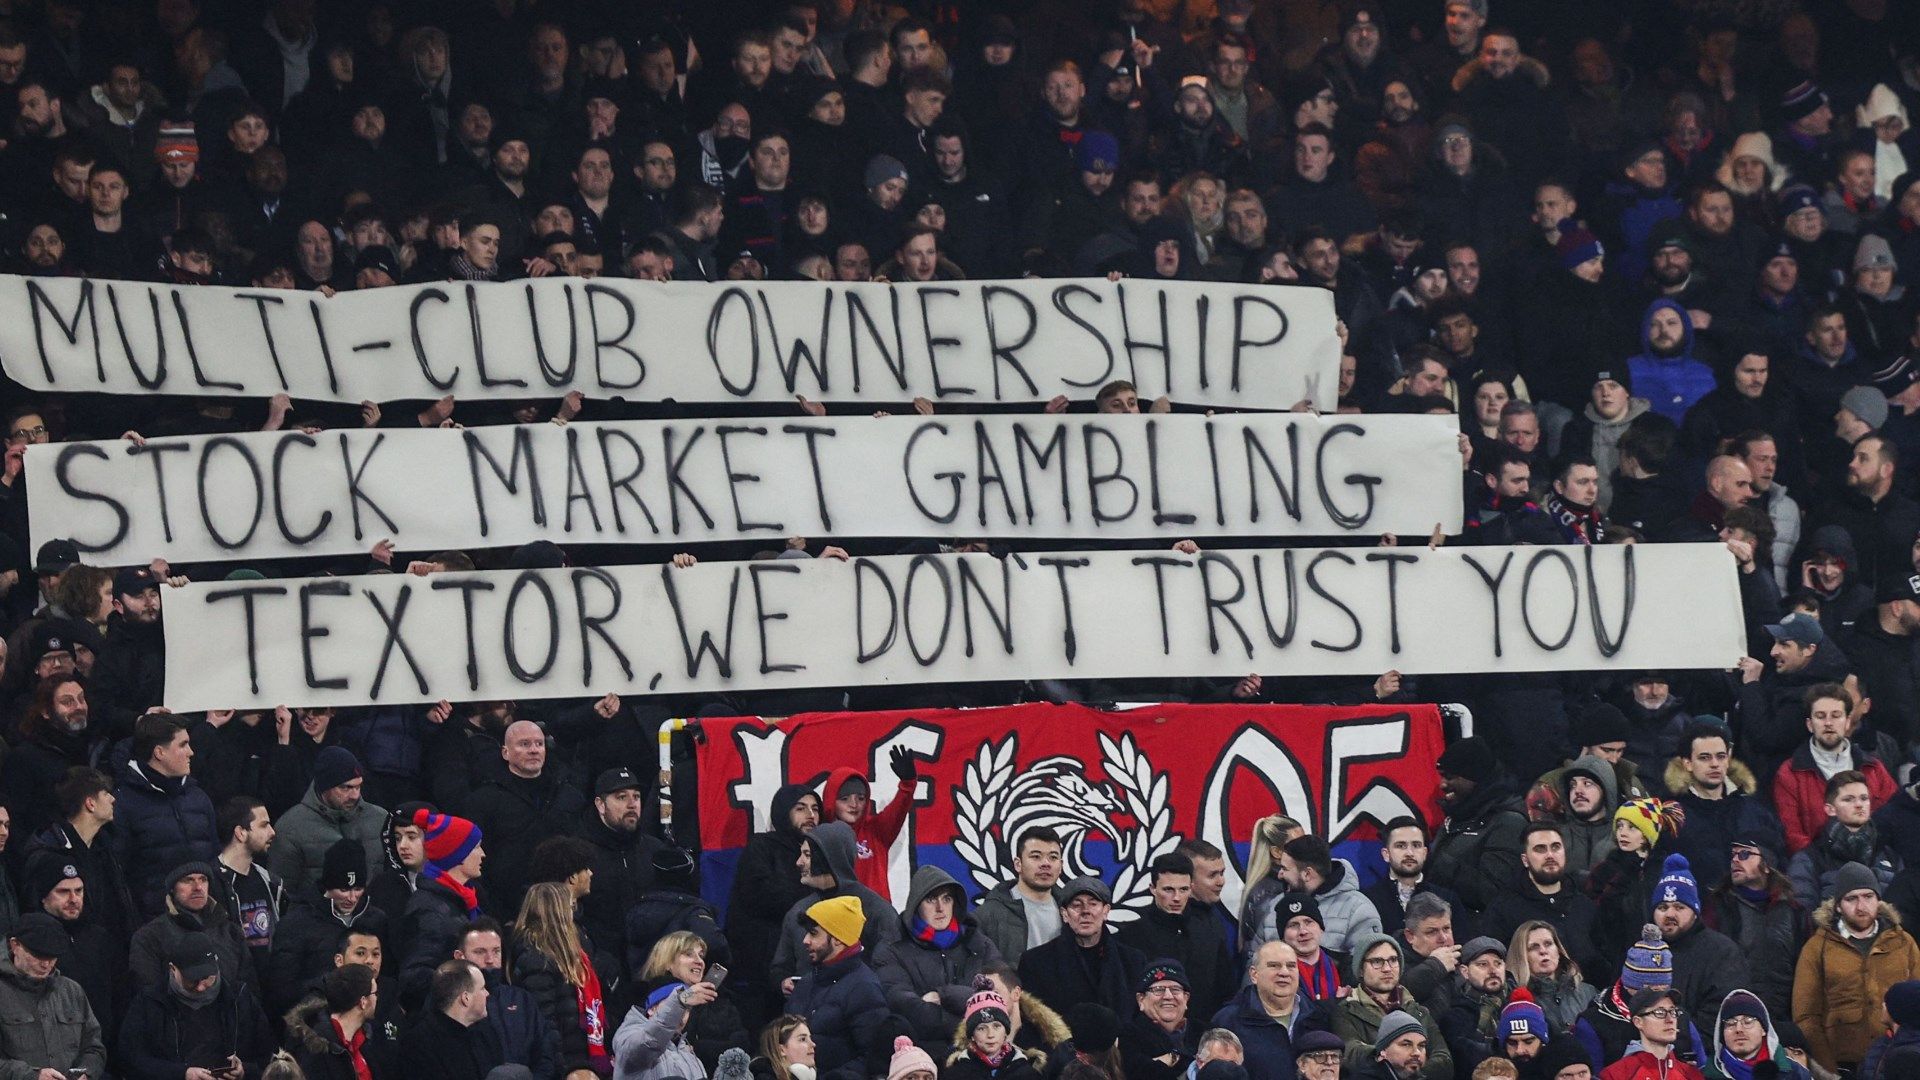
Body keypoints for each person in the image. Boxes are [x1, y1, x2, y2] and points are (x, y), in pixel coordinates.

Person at [1791, 861, 1920, 1073]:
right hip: (1841, 1066)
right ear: (1838, 906)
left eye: (1868, 896)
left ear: (1879, 900)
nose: (1861, 906)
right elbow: (1806, 1016)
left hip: (1896, 1064)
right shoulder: (1816, 948)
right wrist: (1828, 1071)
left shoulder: (1903, 942)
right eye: (1851, 899)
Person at [873, 864, 1003, 1045]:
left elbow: (1000, 996)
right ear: (916, 905)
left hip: (981, 1050)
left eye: (947, 898)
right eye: (931, 900)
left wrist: (943, 995)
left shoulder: (978, 943)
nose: (940, 908)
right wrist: (971, 1022)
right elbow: (906, 1008)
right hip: (923, 1056)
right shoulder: (892, 948)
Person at [119, 930, 275, 1080]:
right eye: (191, 980)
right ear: (173, 969)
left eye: (207, 978)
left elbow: (267, 1055)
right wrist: (181, 1074)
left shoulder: (240, 998)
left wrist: (244, 1071)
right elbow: (132, 1059)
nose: (200, 987)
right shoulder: (150, 1003)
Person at [729, 782, 822, 1018]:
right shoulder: (762, 847)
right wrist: (810, 896)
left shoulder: (822, 854)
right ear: (783, 812)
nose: (811, 815)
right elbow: (760, 894)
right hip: (760, 972)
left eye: (815, 809)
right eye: (801, 808)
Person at [114, 713, 219, 917]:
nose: (191, 752)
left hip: (206, 920)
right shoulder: (123, 803)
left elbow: (213, 856)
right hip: (154, 923)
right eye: (183, 745)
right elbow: (121, 873)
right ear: (159, 752)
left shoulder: (198, 797)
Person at [773, 820, 900, 987]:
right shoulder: (798, 911)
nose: (799, 862)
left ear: (830, 858)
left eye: (808, 855)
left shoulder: (878, 912)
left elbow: (890, 973)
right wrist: (783, 981)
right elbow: (780, 967)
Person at [509, 880, 612, 1077]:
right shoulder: (537, 959)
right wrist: (564, 1068)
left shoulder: (570, 954)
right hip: (564, 1063)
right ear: (558, 911)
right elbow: (545, 1021)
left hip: (579, 1056)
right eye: (570, 905)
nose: (574, 911)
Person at [1119, 853, 1237, 1021]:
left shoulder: (1209, 932)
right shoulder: (1130, 937)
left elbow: (1226, 989)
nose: (1176, 898)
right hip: (1148, 1036)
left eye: (1183, 890)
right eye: (1168, 889)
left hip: (1202, 1034)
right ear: (1153, 888)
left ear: (1191, 887)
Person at [787, 895, 888, 1080]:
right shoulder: (807, 982)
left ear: (838, 939)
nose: (805, 940)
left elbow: (874, 1058)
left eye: (814, 933)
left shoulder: (864, 988)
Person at [1018, 875, 1147, 1019]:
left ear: (1106, 911)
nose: (1086, 911)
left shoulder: (1133, 961)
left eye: (1093, 904)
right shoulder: (1035, 962)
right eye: (1076, 905)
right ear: (1064, 914)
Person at [1703, 840, 1804, 1020]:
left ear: (1767, 865)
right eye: (1733, 855)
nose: (1735, 860)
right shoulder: (1719, 907)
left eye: (1744, 854)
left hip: (1784, 1019)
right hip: (1735, 1019)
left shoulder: (1793, 911)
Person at [0, 912, 108, 1078]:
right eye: (37, 955)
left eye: (52, 957)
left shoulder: (72, 991)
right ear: (15, 945)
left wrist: (86, 1073)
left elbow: (94, 1047)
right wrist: (32, 1076)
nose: (45, 964)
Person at [1427, 738, 1529, 913]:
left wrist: (1437, 862)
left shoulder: (1509, 822)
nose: (1442, 784)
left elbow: (1492, 892)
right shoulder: (1458, 815)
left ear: (1475, 778)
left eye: (1450, 777)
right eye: (1442, 776)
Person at [400, 810, 486, 1010]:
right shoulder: (430, 909)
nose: (483, 854)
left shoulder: (466, 898)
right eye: (476, 847)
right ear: (459, 855)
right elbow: (416, 978)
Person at [454, 917, 562, 1077]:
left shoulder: (522, 1000)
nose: (490, 960)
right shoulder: (450, 1003)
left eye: (496, 951)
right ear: (460, 956)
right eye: (480, 952)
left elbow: (544, 1055)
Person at [1329, 936, 1449, 1079]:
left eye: (1393, 960)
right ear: (1360, 969)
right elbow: (1351, 1053)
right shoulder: (1346, 1011)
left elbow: (1444, 1059)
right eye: (1377, 962)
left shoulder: (1419, 1011)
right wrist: (1398, 1061)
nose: (1387, 969)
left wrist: (1414, 1074)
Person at [1214, 940, 1331, 1080]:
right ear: (1254, 975)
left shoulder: (1319, 1018)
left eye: (1291, 966)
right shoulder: (1227, 1021)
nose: (1284, 972)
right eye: (1274, 966)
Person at [1787, 771, 1903, 908]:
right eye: (1848, 799)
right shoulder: (1809, 859)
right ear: (1830, 809)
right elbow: (1802, 914)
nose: (1859, 804)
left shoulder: (1889, 853)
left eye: (1864, 798)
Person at [399, 960, 510, 1080]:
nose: (487, 994)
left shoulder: (486, 1033)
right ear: (466, 998)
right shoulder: (419, 1045)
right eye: (482, 988)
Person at [1362, 818, 1468, 940]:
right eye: (1401, 846)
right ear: (1386, 854)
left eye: (1416, 845)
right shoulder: (1368, 901)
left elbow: (1461, 948)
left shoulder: (1448, 899)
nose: (1410, 853)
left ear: (1425, 853)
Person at [975, 826, 1066, 964]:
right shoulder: (988, 915)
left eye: (1053, 857)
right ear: (1018, 864)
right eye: (1036, 856)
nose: (1046, 864)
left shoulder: (1071, 911)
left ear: (1061, 865)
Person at [286, 963, 391, 1080]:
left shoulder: (365, 1038)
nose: (376, 998)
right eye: (374, 993)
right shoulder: (316, 1050)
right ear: (363, 1002)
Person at [1506, 921, 1596, 1033]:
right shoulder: (1515, 1001)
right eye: (1534, 947)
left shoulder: (1588, 993)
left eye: (1548, 944)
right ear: (1521, 956)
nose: (1543, 951)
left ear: (1558, 950)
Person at [1598, 988, 1706, 1080]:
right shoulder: (1615, 1075)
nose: (1670, 1019)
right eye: (1659, 1012)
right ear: (1638, 1022)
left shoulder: (1691, 1074)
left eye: (1673, 1012)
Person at [945, 983, 1046, 1080]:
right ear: (972, 1035)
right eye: (981, 1028)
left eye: (996, 1026)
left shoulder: (1027, 1074)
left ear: (1006, 1031)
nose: (990, 1035)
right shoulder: (956, 1074)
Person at [1120, 960, 1200, 1080]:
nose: (1168, 996)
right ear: (1141, 1000)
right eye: (1158, 989)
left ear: (1186, 998)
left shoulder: (1207, 1033)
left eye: (1175, 989)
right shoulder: (1127, 1038)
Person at [1704, 988, 1808, 1080]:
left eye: (1748, 1021)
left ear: (1763, 1029)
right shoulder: (1706, 1074)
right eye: (1731, 1023)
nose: (1739, 1029)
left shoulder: (1794, 1073)